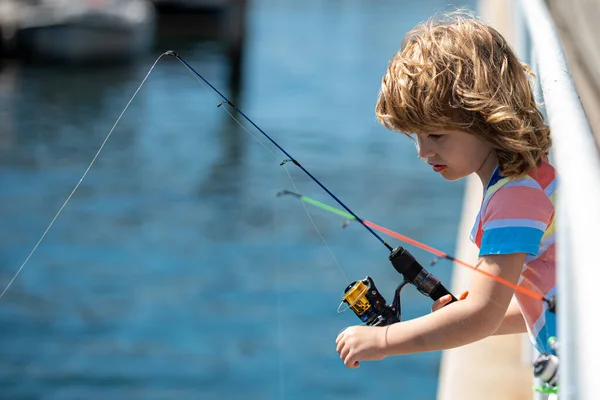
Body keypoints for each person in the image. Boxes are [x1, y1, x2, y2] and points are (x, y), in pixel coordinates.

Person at [335, 11, 557, 372]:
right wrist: (471, 313)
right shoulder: (532, 173)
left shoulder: (514, 196)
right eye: (417, 137)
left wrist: (384, 340)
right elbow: (535, 303)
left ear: (484, 115)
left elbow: (482, 313)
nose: (423, 152)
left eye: (436, 135)